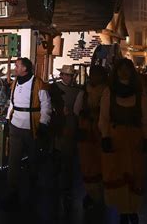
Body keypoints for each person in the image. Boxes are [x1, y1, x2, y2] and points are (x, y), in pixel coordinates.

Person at [99, 58, 147, 224]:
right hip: (116, 139)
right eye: (120, 68)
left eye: (126, 69)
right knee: (117, 173)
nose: (123, 72)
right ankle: (123, 210)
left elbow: (146, 118)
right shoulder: (110, 92)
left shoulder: (139, 93)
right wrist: (105, 136)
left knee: (135, 174)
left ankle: (133, 209)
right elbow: (104, 117)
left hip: (134, 139)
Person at [0, 57, 52, 211]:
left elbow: (46, 105)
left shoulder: (38, 84)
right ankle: (12, 192)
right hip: (16, 126)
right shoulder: (15, 82)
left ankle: (32, 191)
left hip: (31, 128)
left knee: (33, 160)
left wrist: (43, 123)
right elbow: (12, 103)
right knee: (13, 161)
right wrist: (9, 120)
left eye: (17, 65)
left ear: (25, 68)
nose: (15, 67)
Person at [50, 65, 82, 213]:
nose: (68, 78)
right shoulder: (53, 88)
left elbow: (78, 111)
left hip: (70, 126)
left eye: (71, 75)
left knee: (68, 158)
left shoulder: (77, 91)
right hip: (56, 125)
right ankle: (54, 184)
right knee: (56, 156)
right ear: (61, 75)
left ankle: (66, 188)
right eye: (66, 75)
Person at [77, 65, 108, 209]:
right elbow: (77, 109)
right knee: (87, 163)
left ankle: (99, 194)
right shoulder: (85, 91)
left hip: (100, 130)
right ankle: (91, 193)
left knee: (99, 163)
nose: (93, 77)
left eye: (96, 74)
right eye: (92, 74)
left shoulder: (107, 92)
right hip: (86, 129)